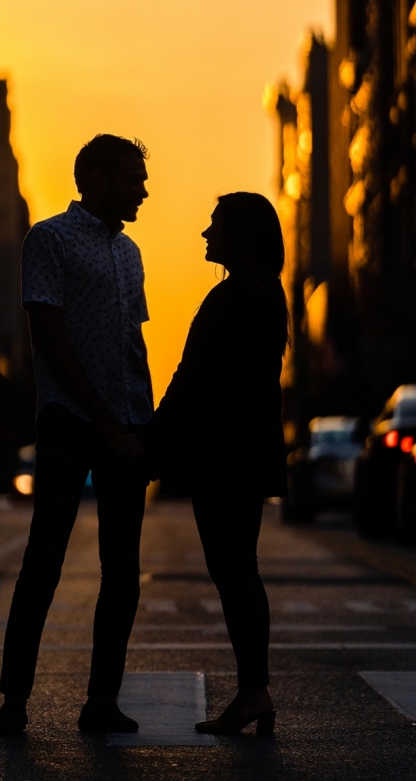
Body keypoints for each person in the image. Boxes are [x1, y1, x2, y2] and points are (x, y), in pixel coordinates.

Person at [0, 134, 153, 737]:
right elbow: (49, 336)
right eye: (132, 177)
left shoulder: (131, 252)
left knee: (122, 568)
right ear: (99, 179)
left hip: (127, 424)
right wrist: (102, 419)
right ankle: (14, 699)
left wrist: (143, 423)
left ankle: (101, 700)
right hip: (69, 420)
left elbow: (133, 345)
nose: (142, 189)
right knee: (45, 560)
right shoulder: (49, 239)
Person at [144, 192, 288, 736]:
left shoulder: (229, 300)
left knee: (233, 572)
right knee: (241, 571)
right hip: (247, 453)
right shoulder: (265, 296)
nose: (206, 234)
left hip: (224, 457)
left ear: (240, 237)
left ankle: (254, 692)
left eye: (215, 226)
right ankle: (256, 691)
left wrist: (151, 443)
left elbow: (190, 380)